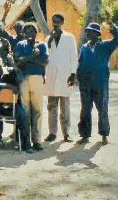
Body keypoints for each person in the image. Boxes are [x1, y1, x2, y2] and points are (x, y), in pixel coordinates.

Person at [76, 12, 118, 145]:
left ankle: (104, 134)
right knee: (85, 109)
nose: (87, 34)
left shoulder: (105, 46)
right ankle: (84, 135)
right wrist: (78, 77)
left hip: (100, 82)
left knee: (102, 108)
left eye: (90, 32)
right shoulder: (84, 48)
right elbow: (80, 62)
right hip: (85, 84)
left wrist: (110, 23)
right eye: (87, 31)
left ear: (97, 34)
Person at [14, 23, 48, 152]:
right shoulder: (20, 45)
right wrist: (33, 57)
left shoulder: (42, 45)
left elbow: (45, 62)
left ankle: (37, 141)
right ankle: (26, 142)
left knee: (38, 110)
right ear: (23, 34)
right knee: (25, 111)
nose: (30, 35)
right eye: (27, 32)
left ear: (36, 32)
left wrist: (26, 59)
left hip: (37, 78)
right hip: (24, 79)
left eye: (32, 32)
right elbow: (17, 61)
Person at [44, 13, 78, 143]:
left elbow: (74, 57)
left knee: (65, 107)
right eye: (54, 21)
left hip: (65, 76)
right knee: (51, 106)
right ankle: (52, 133)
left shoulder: (69, 37)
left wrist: (73, 74)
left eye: (58, 21)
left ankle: (66, 133)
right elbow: (45, 55)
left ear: (62, 22)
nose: (55, 23)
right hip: (52, 75)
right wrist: (50, 40)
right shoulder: (48, 39)